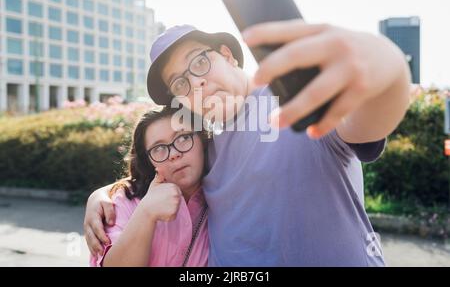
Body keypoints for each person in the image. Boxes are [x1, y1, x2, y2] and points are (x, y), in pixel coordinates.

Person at [84, 20, 411, 266]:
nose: (196, 81)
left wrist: (387, 67)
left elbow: (366, 124)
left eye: (200, 62)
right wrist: (102, 196)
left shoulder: (295, 97)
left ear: (229, 55)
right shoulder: (204, 146)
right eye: (180, 83)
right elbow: (158, 175)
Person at [90, 107, 209, 267]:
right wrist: (146, 213)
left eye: (183, 137)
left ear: (203, 140)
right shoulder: (123, 202)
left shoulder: (223, 195)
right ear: (148, 162)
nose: (174, 153)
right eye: (158, 149)